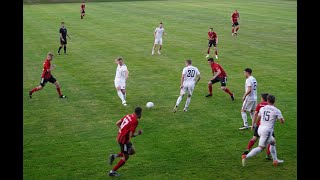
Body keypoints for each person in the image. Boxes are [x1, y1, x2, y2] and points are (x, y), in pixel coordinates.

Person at [242, 94, 285, 167]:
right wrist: (280, 118)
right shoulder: (276, 110)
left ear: (267, 101)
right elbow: (282, 122)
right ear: (274, 101)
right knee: (261, 148)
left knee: (273, 142)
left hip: (260, 128)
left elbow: (258, 117)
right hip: (267, 131)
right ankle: (246, 157)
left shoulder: (263, 108)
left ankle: (275, 160)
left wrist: (255, 125)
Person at [108, 107, 143, 177]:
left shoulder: (128, 115)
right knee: (126, 157)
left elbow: (117, 123)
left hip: (121, 137)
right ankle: (112, 172)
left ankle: (114, 156)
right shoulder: (135, 121)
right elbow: (131, 135)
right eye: (141, 113)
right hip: (123, 141)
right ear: (139, 113)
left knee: (132, 151)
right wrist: (138, 134)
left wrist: (122, 130)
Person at [242, 93, 273, 160]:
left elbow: (255, 114)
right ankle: (268, 154)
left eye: (261, 98)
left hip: (259, 126)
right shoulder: (270, 105)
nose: (260, 99)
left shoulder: (259, 105)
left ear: (263, 98)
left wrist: (253, 125)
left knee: (254, 138)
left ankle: (247, 150)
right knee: (271, 140)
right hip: (267, 126)